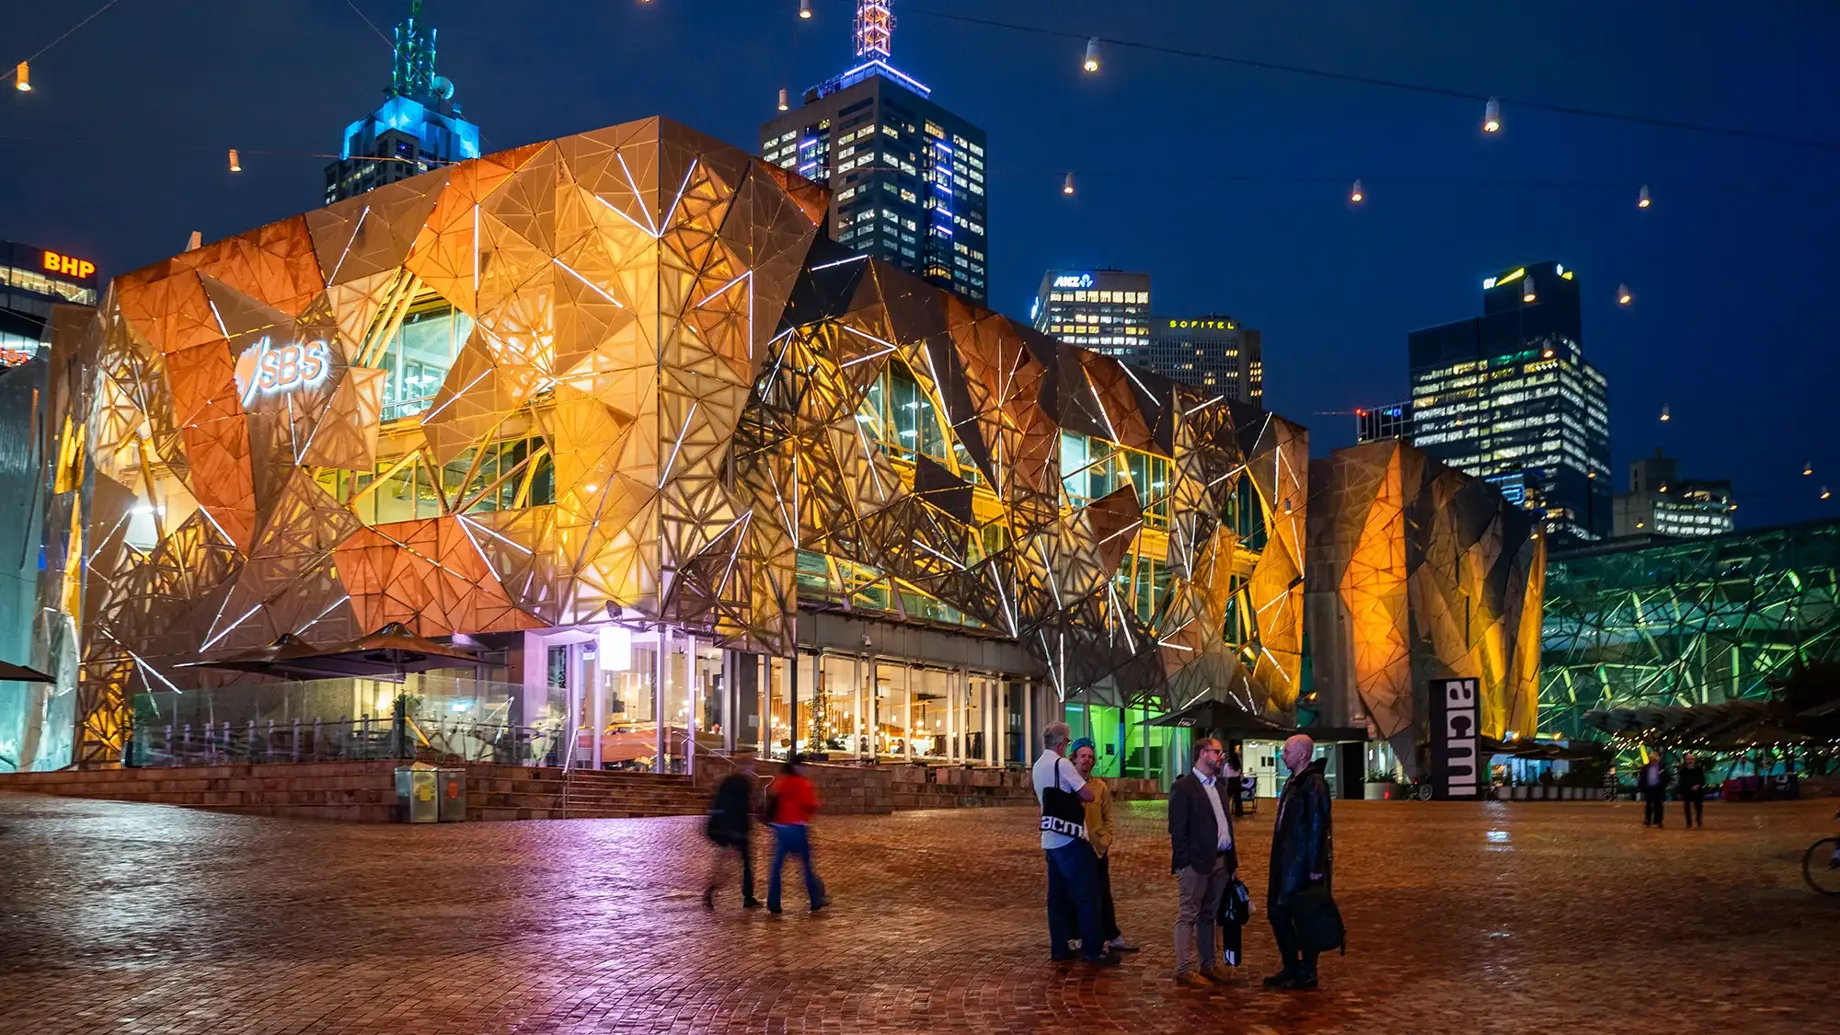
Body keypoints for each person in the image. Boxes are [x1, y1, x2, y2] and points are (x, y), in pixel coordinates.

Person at [1033, 722, 1120, 966]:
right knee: (1088, 894)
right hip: (1071, 837)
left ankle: (1059, 947)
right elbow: (1087, 794)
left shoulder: (1039, 765)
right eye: (1068, 742)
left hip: (1050, 838)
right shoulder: (1062, 764)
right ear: (1061, 743)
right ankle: (1093, 949)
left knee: (1057, 897)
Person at [1168, 736, 1237, 988]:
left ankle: (1208, 964)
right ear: (1202, 754)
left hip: (1221, 860)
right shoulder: (1184, 787)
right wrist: (1185, 862)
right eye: (1217, 752)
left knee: (1210, 914)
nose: (1221, 756)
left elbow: (1225, 824)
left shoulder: (1218, 785)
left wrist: (1231, 859)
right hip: (1195, 863)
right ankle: (1184, 967)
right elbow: (1177, 829)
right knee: (1189, 914)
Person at [1266, 734, 1331, 992]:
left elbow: (1318, 826)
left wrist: (1314, 867)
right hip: (1285, 863)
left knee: (1305, 917)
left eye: (1287, 750)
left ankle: (1307, 971)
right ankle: (1292, 965)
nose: (1283, 754)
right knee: (1278, 913)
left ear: (1302, 755)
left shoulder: (1313, 783)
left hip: (1302, 866)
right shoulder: (1293, 782)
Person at [1070, 738, 1136, 954]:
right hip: (1074, 847)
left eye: (1090, 757)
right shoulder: (1067, 783)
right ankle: (1080, 935)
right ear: (1074, 758)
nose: (1087, 760)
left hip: (1096, 847)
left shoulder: (1100, 787)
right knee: (1079, 894)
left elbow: (1108, 817)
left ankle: (1112, 934)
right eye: (1083, 756)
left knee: (1102, 893)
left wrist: (1106, 839)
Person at [766, 754, 829, 914]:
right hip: (797, 828)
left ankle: (773, 902)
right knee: (806, 867)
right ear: (798, 766)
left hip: (780, 828)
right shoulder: (802, 784)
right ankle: (815, 900)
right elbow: (809, 804)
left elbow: (773, 800)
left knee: (776, 868)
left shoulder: (781, 781)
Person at [703, 761, 761, 910]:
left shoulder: (728, 782)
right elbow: (741, 808)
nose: (752, 768)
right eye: (750, 765)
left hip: (725, 829)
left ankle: (711, 890)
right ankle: (747, 896)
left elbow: (718, 802)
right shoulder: (743, 784)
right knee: (742, 863)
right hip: (737, 830)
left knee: (726, 862)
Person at [1635, 754, 1669, 828]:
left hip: (1658, 788)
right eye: (1652, 760)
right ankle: (1648, 820)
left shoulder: (1661, 768)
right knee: (1649, 805)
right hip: (1649, 788)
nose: (1653, 761)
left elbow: (1666, 777)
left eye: (1655, 760)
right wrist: (1642, 787)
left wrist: (1663, 785)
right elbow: (1642, 778)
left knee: (1658, 805)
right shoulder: (1645, 768)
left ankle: (1658, 820)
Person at [1677, 753, 1707, 829]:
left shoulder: (1699, 769)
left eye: (1691, 759)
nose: (1690, 761)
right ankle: (1688, 823)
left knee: (1699, 807)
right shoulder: (1683, 769)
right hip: (1687, 790)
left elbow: (1702, 780)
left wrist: (1698, 785)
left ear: (1694, 760)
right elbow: (1681, 781)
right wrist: (1681, 790)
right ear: (1685, 761)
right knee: (1686, 807)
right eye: (1688, 759)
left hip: (1697, 790)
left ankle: (1698, 821)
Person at [1223, 749, 1246, 817]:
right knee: (1238, 798)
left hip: (1230, 782)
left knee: (1227, 798)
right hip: (1237, 782)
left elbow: (1225, 774)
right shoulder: (1237, 765)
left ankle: (1226, 812)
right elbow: (1241, 775)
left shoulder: (1227, 765)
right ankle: (1238, 813)